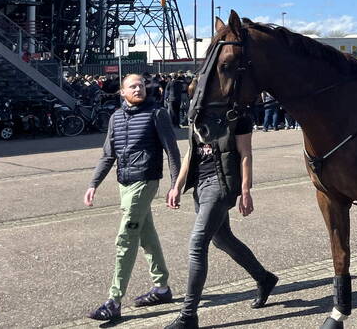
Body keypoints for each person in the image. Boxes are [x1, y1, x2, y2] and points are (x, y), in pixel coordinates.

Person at [163, 108, 277, 328]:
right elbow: (191, 151)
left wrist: (245, 191)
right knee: (222, 239)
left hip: (221, 184)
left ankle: (188, 316)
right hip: (201, 185)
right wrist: (176, 185)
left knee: (197, 244)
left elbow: (245, 154)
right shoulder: (196, 114)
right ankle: (264, 278)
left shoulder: (238, 117)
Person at [84, 74, 182, 322]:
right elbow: (108, 155)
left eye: (141, 85)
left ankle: (114, 301)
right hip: (124, 183)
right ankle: (162, 288)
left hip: (145, 181)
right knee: (146, 235)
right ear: (122, 92)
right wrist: (93, 184)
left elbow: (172, 151)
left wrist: (175, 185)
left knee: (125, 238)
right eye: (133, 86)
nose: (138, 89)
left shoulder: (156, 113)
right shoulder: (116, 117)